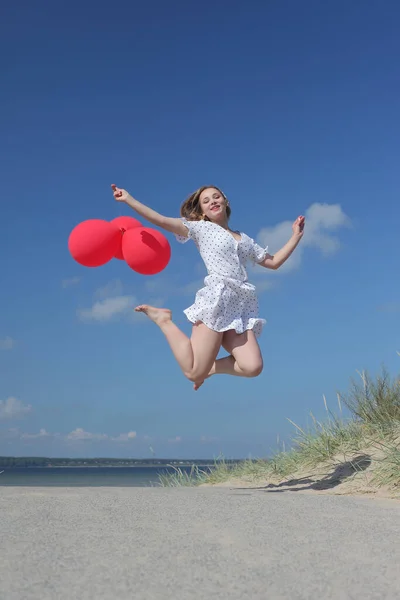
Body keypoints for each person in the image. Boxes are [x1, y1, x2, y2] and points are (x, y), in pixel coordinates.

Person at [111, 184, 305, 390]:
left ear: (225, 201)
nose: (212, 201)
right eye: (206, 201)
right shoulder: (200, 228)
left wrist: (296, 236)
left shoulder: (245, 239)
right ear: (202, 211)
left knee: (253, 366)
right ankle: (164, 320)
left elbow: (273, 263)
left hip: (239, 308)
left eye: (216, 197)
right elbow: (161, 220)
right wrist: (129, 199)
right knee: (193, 372)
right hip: (217, 300)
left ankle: (210, 369)